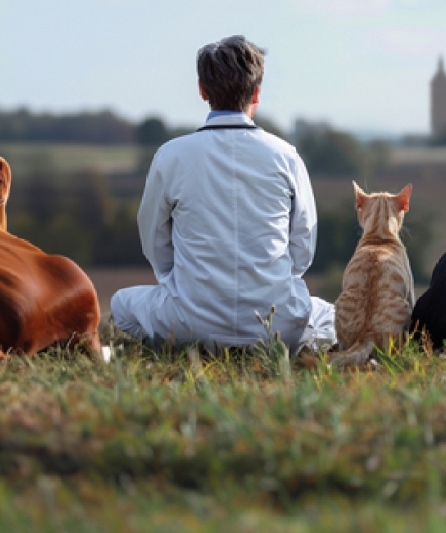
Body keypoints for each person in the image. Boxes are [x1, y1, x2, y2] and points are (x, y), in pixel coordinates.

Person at [110, 35, 336, 352]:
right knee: (330, 315)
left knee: (121, 304)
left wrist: (181, 282)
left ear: (202, 90)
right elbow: (302, 252)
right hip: (276, 328)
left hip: (188, 324)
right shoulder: (286, 156)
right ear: (256, 92)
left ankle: (175, 347)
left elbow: (154, 239)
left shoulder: (171, 155)